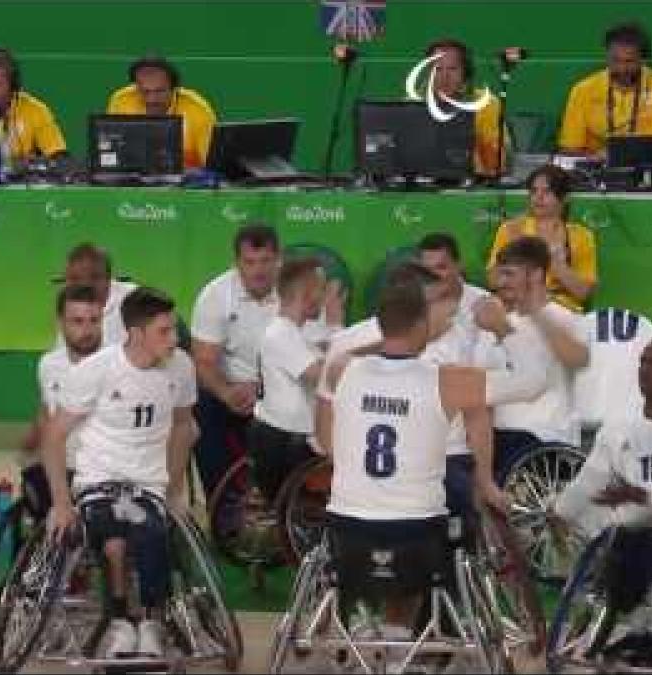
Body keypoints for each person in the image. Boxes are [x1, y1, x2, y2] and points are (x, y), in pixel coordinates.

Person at [318, 278, 534, 642]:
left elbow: (326, 443)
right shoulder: (447, 380)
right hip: (415, 532)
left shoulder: (341, 367)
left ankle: (377, 630)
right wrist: (503, 328)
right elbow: (534, 379)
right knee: (452, 516)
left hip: (347, 526)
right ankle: (404, 632)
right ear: (423, 324)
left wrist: (403, 332)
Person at [43, 287, 198, 658]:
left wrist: (175, 490)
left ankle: (148, 621)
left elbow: (183, 427)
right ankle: (119, 620)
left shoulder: (181, 366)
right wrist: (62, 503)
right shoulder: (98, 369)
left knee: (151, 531)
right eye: (165, 331)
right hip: (100, 478)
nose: (175, 339)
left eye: (174, 330)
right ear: (136, 333)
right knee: (113, 540)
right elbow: (53, 435)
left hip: (148, 482)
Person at [552, 336, 652, 667]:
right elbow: (591, 478)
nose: (646, 371)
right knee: (626, 536)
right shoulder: (620, 425)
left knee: (642, 537)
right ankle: (639, 629)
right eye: (644, 362)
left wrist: (641, 496)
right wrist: (560, 511)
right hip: (637, 532)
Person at [482, 236, 589, 480]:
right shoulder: (497, 321)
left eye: (509, 274)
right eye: (500, 274)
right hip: (497, 438)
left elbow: (537, 377)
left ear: (536, 275)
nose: (500, 283)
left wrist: (502, 331)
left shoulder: (564, 321)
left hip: (543, 439)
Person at [189, 223, 280, 500]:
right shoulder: (215, 295)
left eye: (265, 261)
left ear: (279, 259)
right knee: (202, 406)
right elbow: (204, 361)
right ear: (237, 263)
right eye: (250, 262)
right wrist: (227, 392)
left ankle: (287, 506)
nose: (259, 270)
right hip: (231, 390)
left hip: (283, 388)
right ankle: (224, 509)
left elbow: (315, 353)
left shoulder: (297, 290)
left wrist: (266, 389)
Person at [248, 258, 335, 501]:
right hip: (282, 442)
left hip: (290, 438)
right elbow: (321, 375)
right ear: (307, 295)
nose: (325, 298)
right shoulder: (281, 334)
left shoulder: (295, 333)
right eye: (322, 289)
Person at [19, 284, 105, 518]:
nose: (87, 330)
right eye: (77, 321)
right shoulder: (49, 365)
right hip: (60, 469)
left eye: (94, 320)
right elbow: (48, 415)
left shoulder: (117, 366)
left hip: (103, 475)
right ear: (61, 323)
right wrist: (32, 442)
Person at [558, 21, 652, 157]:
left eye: (629, 61)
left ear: (643, 59)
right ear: (606, 56)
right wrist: (597, 157)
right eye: (615, 60)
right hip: (601, 169)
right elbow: (568, 149)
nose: (622, 68)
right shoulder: (583, 90)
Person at [488, 164, 597, 312]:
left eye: (547, 191)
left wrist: (557, 265)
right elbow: (493, 280)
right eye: (534, 191)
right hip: (519, 308)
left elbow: (583, 292)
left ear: (565, 198)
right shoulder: (511, 229)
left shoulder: (581, 236)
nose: (538, 197)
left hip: (563, 311)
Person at [106, 54, 217, 170]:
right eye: (145, 92)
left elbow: (211, 167)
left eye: (159, 91)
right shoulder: (120, 100)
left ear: (174, 88)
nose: (152, 100)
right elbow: (111, 151)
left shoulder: (198, 109)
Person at [422, 39, 506, 177]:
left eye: (453, 69)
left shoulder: (486, 104)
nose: (445, 77)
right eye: (437, 69)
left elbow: (497, 163)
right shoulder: (412, 105)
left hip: (473, 185)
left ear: (466, 73)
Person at [57, 243, 136, 348]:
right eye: (75, 279)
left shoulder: (137, 301)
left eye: (94, 277)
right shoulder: (68, 305)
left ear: (109, 279)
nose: (85, 285)